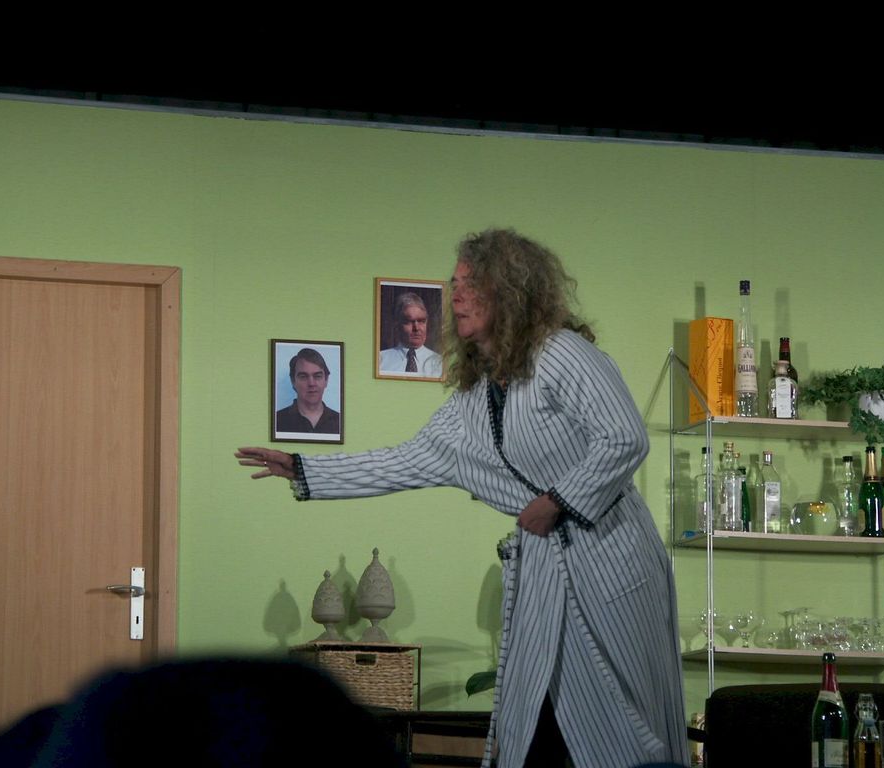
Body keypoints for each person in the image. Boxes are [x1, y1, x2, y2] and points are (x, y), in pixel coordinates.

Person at [238, 228, 689, 768]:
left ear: (511, 290)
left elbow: (625, 438)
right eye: (454, 284)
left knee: (624, 717)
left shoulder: (562, 354)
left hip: (613, 558)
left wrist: (557, 502)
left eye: (472, 283)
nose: (457, 295)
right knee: (540, 718)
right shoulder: (475, 398)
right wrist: (304, 470)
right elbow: (406, 460)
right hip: (545, 568)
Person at [274, 348, 340, 434]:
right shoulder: (277, 421)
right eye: (303, 377)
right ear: (293, 381)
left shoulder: (340, 421)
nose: (311, 383)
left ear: (326, 380)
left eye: (317, 376)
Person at [378, 292, 442, 377]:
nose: (416, 328)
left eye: (421, 321)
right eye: (409, 321)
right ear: (397, 325)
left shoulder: (440, 363)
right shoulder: (380, 360)